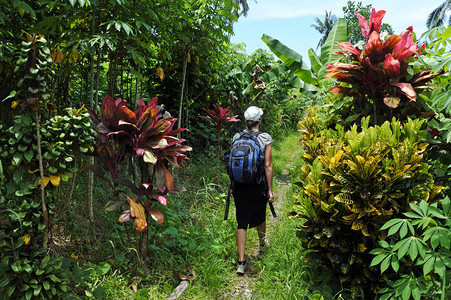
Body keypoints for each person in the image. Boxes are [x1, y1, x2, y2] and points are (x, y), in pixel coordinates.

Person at [231, 106, 274, 275]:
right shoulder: (265, 138)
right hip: (258, 184)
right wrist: (270, 190)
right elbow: (268, 165)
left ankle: (241, 263)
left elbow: (234, 163)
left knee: (241, 222)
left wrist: (233, 185)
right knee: (260, 215)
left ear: (246, 121)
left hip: (240, 185)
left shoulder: (237, 136)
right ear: (259, 120)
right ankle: (262, 245)